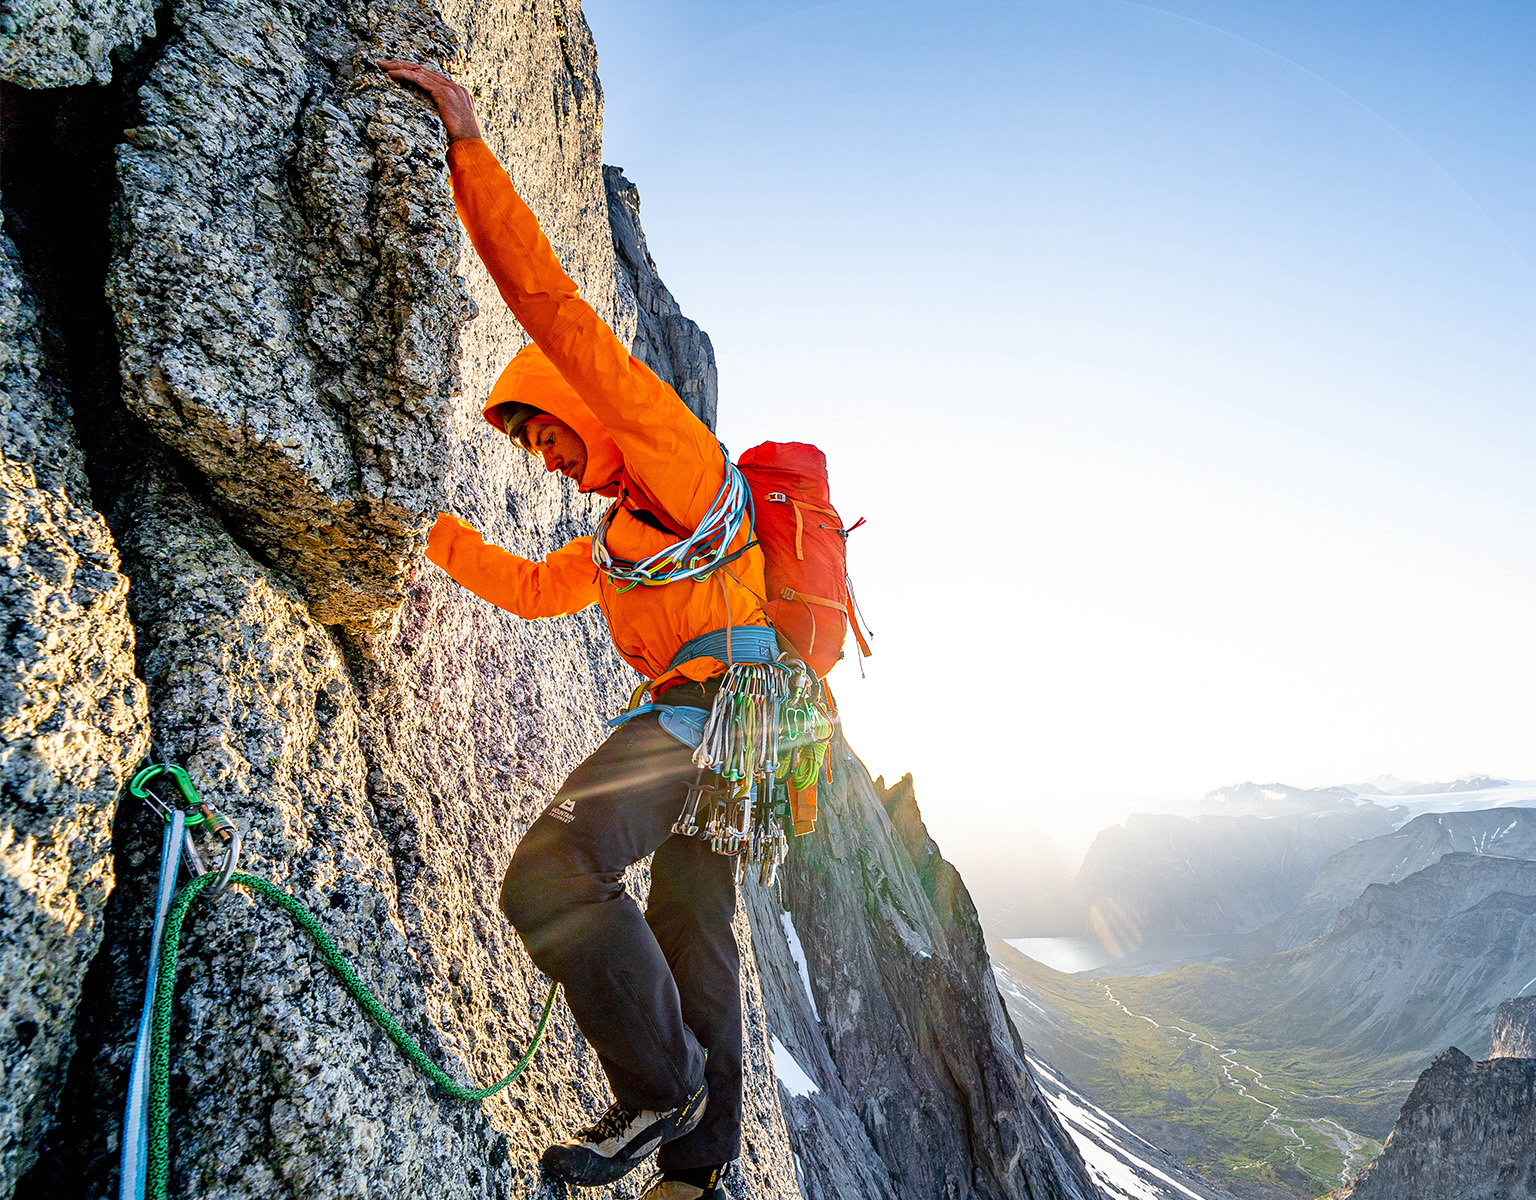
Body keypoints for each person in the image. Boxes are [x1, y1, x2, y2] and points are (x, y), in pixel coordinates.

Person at [380, 59, 772, 1200]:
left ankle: (660, 1092)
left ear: (576, 405)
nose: (542, 457)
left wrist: (467, 145)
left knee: (554, 869)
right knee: (693, 934)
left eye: (543, 432)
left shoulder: (663, 447)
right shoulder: (620, 543)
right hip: (747, 737)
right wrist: (428, 527)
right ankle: (694, 1174)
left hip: (711, 715)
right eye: (527, 448)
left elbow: (546, 297)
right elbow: (529, 590)